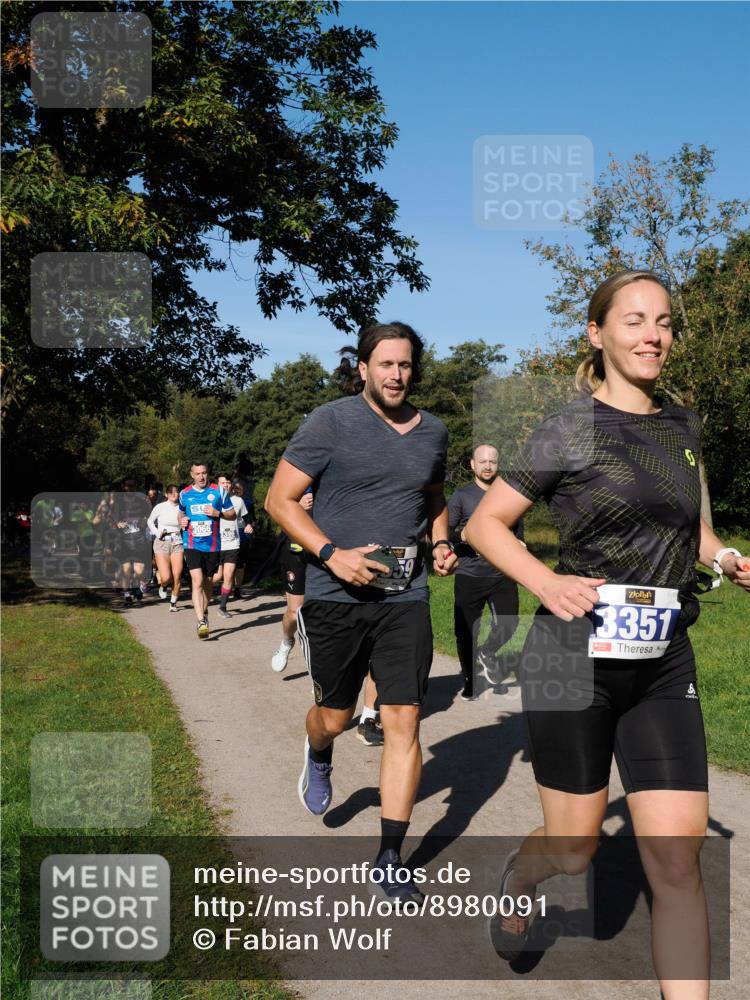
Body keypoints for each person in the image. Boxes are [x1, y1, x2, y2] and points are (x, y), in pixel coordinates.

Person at [465, 271, 750, 994]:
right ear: (598, 334)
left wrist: (721, 555)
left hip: (660, 659)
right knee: (573, 848)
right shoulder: (570, 428)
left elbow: (692, 525)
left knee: (679, 862)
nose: (652, 334)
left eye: (662, 322)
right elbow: (483, 525)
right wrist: (545, 582)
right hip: (569, 655)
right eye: (633, 321)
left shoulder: (682, 426)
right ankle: (521, 880)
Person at [265, 321, 457, 905]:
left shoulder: (434, 433)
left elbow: (432, 497)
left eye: (405, 366)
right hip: (334, 595)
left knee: (403, 721)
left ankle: (391, 855)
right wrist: (331, 554)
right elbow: (278, 500)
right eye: (386, 365)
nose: (396, 375)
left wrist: (442, 543)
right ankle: (318, 753)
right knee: (335, 715)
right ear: (364, 368)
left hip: (405, 596)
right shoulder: (330, 421)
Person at [448, 444, 523, 700]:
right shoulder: (461, 496)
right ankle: (469, 679)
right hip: (470, 574)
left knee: (509, 623)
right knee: (466, 631)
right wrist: (464, 535)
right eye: (483, 461)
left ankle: (488, 652)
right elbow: (445, 533)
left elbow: (517, 534)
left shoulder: (509, 495)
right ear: (472, 464)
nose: (488, 465)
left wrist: (520, 548)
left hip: (502, 574)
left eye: (493, 461)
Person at [179, 462, 236, 639]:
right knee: (196, 581)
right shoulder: (184, 494)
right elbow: (181, 512)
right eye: (198, 474)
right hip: (191, 543)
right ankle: (201, 621)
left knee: (208, 582)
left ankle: (204, 611)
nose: (201, 477)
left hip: (212, 545)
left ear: (208, 473)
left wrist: (217, 513)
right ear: (192, 474)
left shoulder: (219, 491)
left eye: (204, 473)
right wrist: (181, 520)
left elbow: (232, 514)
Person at [271, 487, 313, 672]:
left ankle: (317, 675)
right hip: (296, 552)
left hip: (326, 551)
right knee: (295, 612)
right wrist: (296, 506)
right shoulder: (293, 469)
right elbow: (272, 506)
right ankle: (287, 640)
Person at [213, 474, 251, 618]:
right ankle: (200, 587)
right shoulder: (212, 499)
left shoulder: (238, 500)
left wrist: (248, 525)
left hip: (232, 542)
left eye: (228, 482)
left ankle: (222, 607)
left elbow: (246, 517)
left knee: (228, 576)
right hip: (215, 543)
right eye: (223, 483)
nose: (226, 485)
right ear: (217, 485)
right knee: (217, 576)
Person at [146, 484, 184, 611]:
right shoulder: (160, 506)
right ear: (166, 494)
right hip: (162, 541)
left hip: (177, 542)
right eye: (171, 492)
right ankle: (163, 585)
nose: (174, 494)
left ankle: (173, 603)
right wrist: (157, 533)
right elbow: (150, 521)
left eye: (176, 492)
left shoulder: (182, 507)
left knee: (177, 575)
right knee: (166, 577)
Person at [231, 480, 255, 598]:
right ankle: (228, 586)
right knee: (230, 564)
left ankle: (237, 588)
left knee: (240, 564)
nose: (237, 491)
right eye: (235, 489)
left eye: (239, 489)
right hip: (229, 536)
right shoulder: (226, 501)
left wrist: (250, 527)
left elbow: (252, 519)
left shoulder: (248, 503)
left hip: (243, 537)